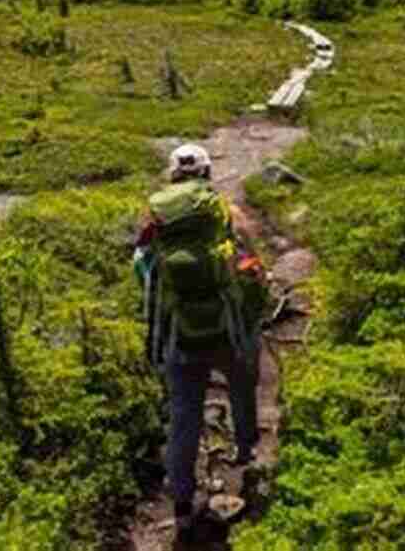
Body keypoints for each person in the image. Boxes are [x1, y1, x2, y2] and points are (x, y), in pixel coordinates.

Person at [133, 143, 265, 543]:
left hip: (180, 337)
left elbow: (143, 270)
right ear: (207, 174)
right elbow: (251, 267)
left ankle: (182, 504)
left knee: (184, 416)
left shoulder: (155, 220)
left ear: (172, 177)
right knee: (243, 386)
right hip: (229, 331)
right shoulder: (226, 214)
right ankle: (246, 454)